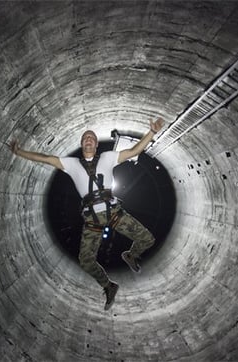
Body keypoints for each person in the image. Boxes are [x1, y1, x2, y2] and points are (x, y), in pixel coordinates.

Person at [11, 118, 164, 310]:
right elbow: (45, 158)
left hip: (114, 212)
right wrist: (19, 152)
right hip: (92, 220)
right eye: (85, 138)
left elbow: (134, 151)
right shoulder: (72, 164)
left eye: (91, 138)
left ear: (96, 143)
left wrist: (151, 133)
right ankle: (109, 286)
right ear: (82, 144)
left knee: (148, 239)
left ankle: (131, 255)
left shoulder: (108, 158)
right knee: (85, 261)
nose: (89, 140)